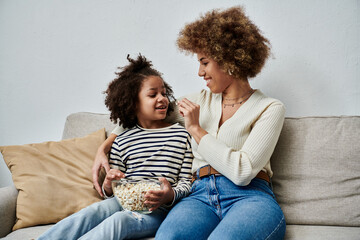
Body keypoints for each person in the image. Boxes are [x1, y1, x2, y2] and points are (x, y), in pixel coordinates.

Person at [93, 6, 286, 240]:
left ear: (229, 58)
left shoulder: (269, 108)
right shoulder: (197, 101)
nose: (199, 72)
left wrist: (196, 129)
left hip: (250, 196)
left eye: (204, 62)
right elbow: (144, 112)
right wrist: (104, 147)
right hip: (198, 196)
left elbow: (243, 171)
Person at [38, 54, 193, 240]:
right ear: (133, 103)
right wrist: (109, 184)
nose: (162, 99)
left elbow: (187, 182)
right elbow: (113, 189)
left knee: (119, 221)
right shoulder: (122, 139)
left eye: (163, 93)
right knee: (93, 211)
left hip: (155, 211)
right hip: (121, 201)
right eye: (153, 95)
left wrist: (170, 195)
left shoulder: (181, 135)